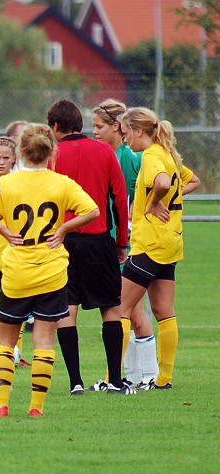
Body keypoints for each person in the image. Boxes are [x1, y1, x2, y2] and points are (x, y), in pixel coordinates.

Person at [0, 124, 99, 418]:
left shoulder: (6, 184)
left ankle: (1, 405)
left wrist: (3, 230)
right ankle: (36, 408)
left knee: (5, 341)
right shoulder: (62, 183)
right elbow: (93, 210)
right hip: (51, 271)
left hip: (17, 272)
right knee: (44, 342)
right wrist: (64, 229)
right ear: (51, 152)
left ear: (20, 152)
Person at [46, 99, 133, 396]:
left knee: (66, 309)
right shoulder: (105, 151)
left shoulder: (53, 156)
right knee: (110, 307)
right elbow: (120, 199)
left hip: (63, 242)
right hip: (99, 240)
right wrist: (121, 242)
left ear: (55, 126)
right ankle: (116, 380)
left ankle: (75, 382)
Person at [118, 107, 200, 390]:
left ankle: (113, 378)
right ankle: (163, 379)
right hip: (170, 241)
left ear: (138, 131)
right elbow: (193, 181)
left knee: (120, 308)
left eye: (125, 132)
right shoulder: (169, 154)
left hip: (150, 242)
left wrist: (153, 203)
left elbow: (163, 183)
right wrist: (159, 198)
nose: (124, 138)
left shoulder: (152, 156)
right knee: (164, 310)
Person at [90, 99, 145, 389]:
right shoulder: (106, 155)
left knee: (128, 309)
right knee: (129, 310)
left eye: (99, 126)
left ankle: (141, 375)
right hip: (111, 240)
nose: (94, 132)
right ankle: (135, 375)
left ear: (116, 127)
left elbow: (168, 180)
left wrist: (148, 205)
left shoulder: (129, 157)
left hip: (126, 241)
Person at [0, 136, 30, 369]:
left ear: (14, 159)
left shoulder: (20, 185)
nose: (1, 162)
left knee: (16, 308)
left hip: (15, 253)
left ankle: (16, 354)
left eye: (6, 158)